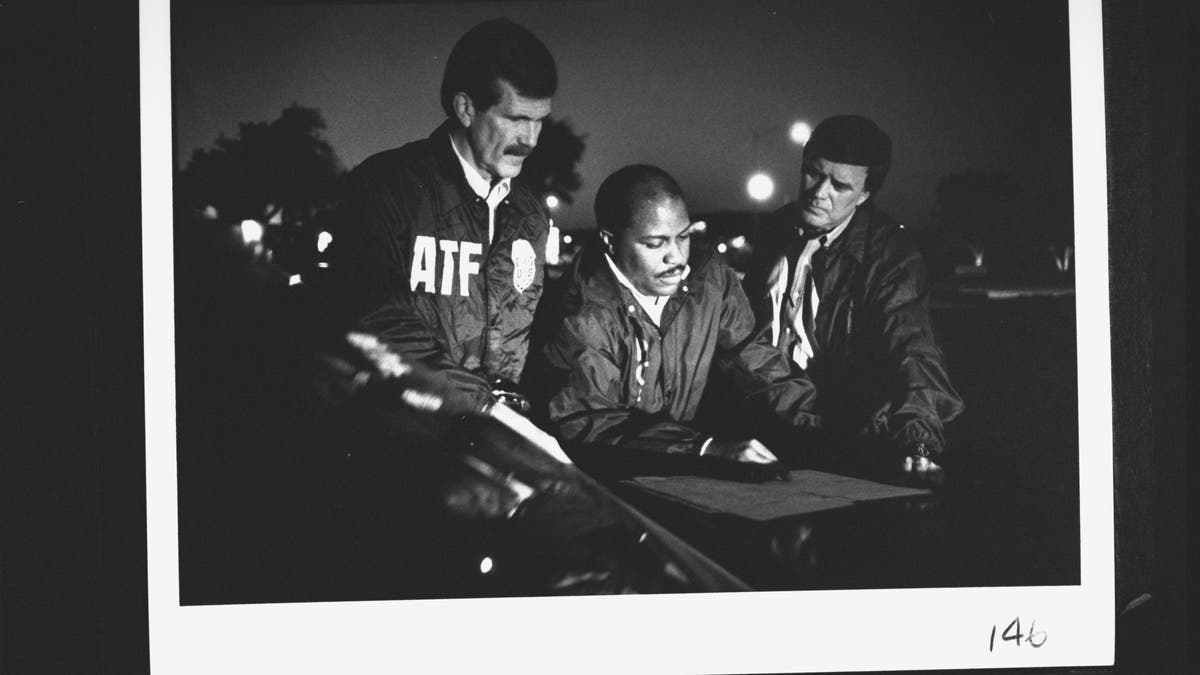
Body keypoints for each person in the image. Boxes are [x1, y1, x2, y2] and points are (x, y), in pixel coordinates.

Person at [325, 18, 557, 413]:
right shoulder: (387, 187)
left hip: (494, 438)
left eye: (539, 120)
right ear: (466, 108)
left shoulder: (530, 213)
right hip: (401, 432)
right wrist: (477, 401)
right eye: (516, 119)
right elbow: (373, 316)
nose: (530, 140)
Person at [538, 164, 821, 479]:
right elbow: (589, 421)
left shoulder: (710, 277)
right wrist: (703, 448)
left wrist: (817, 428)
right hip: (607, 483)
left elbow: (755, 361)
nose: (677, 257)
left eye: (684, 237)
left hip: (682, 475)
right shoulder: (580, 313)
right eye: (655, 244)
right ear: (609, 240)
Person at [742, 114, 964, 482]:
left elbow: (915, 352)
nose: (819, 192)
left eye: (840, 186)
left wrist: (919, 445)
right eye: (813, 173)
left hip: (835, 432)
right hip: (761, 423)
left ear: (864, 194)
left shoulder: (892, 256)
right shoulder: (775, 230)